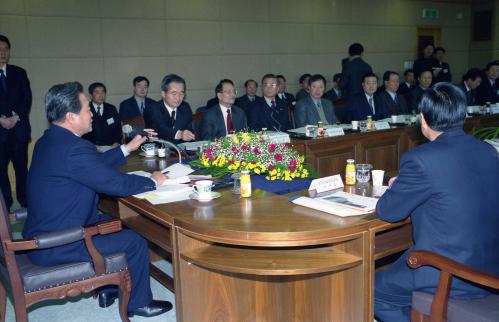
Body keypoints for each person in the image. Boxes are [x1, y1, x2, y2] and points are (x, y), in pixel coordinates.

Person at [23, 81, 173, 318]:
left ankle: (110, 286)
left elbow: (90, 168)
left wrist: (126, 148)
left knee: (118, 220)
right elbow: (115, 184)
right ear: (71, 117)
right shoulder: (75, 148)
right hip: (58, 243)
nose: (91, 113)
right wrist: (153, 181)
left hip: (44, 232)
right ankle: (138, 302)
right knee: (134, 239)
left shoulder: (50, 141)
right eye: (86, 109)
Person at [374, 82, 499, 322]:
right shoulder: (488, 151)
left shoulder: (421, 159)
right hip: (490, 264)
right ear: (463, 115)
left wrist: (402, 186)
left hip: (451, 271)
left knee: (371, 289)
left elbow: (388, 211)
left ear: (422, 119)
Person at [0, 34, 31, 212]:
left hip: (18, 130)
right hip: (0, 132)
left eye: (5, 49)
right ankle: (6, 206)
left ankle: (25, 202)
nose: (2, 52)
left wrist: (15, 117)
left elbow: (26, 99)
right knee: (1, 172)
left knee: (22, 170)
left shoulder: (19, 73)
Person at [144, 74, 195, 144]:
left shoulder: (185, 107)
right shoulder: (152, 108)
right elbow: (160, 129)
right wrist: (179, 134)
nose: (178, 98)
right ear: (163, 94)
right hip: (159, 150)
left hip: (182, 151)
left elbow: (189, 131)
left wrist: (188, 135)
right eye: (174, 94)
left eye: (181, 94)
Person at [82, 82, 122, 150]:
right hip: (92, 148)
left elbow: (117, 128)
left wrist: (116, 143)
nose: (101, 95)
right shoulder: (85, 109)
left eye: (103, 92)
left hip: (111, 147)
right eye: (97, 92)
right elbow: (83, 131)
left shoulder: (111, 108)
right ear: (91, 95)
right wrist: (92, 146)